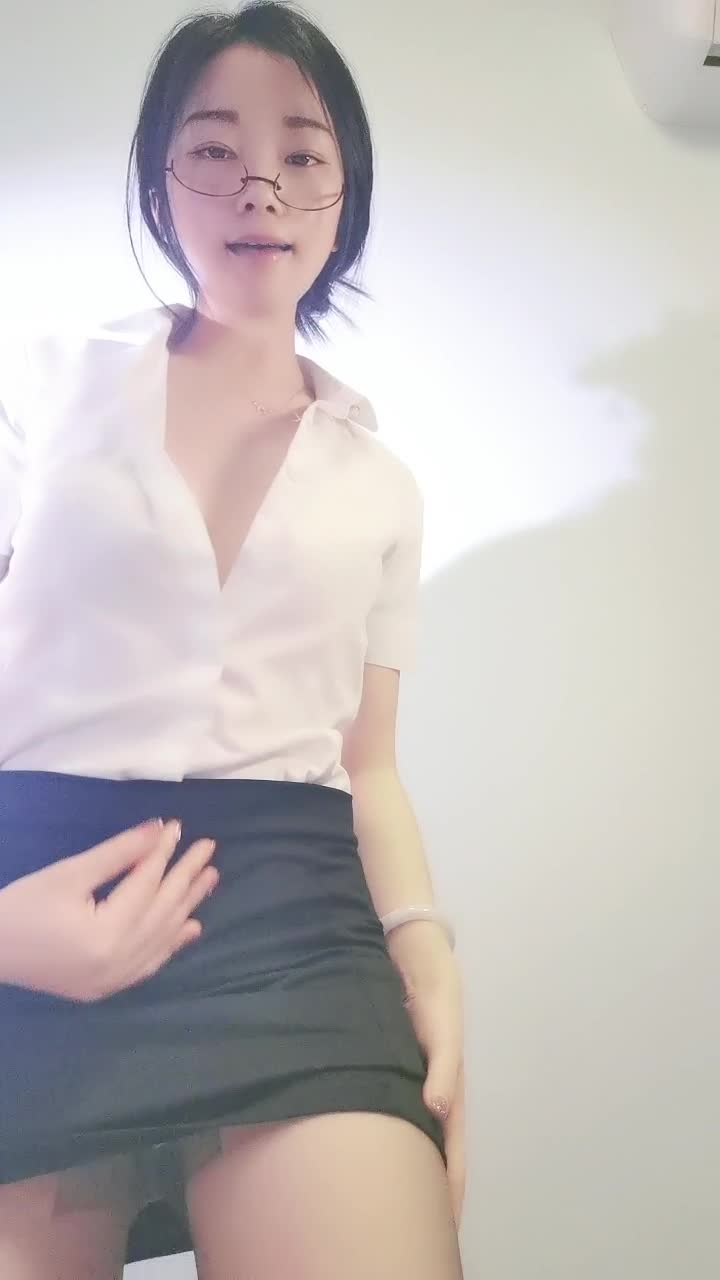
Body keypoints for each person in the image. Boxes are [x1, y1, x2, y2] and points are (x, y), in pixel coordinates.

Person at [0, 2, 465, 1276]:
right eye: (214, 147)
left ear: (345, 191)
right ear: (161, 178)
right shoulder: (37, 393)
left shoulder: (383, 485)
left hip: (293, 927)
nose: (260, 186)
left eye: (302, 153)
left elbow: (370, 765)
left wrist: (425, 948)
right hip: (28, 893)